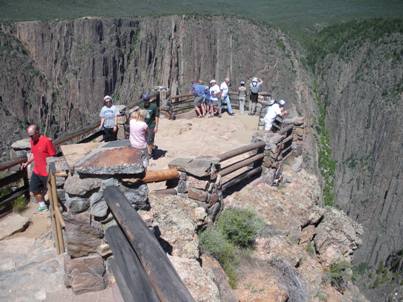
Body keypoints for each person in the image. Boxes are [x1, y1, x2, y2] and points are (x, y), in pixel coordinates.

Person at [21, 124, 56, 212]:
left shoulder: (46, 141)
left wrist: (52, 171)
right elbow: (34, 154)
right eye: (29, 136)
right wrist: (27, 162)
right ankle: (42, 205)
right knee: (33, 189)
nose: (30, 138)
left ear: (37, 132)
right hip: (37, 171)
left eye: (31, 135)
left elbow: (53, 157)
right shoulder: (32, 141)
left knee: (51, 191)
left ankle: (54, 208)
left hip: (46, 172)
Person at [140, 92, 160, 157]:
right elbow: (140, 115)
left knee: (149, 141)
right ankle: (152, 148)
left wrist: (156, 126)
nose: (146, 101)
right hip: (144, 125)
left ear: (149, 100)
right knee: (146, 139)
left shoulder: (154, 106)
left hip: (151, 125)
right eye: (144, 100)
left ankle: (149, 154)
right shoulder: (142, 106)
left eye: (147, 100)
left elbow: (157, 116)